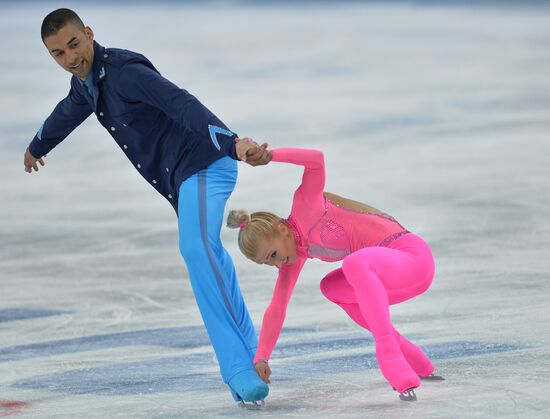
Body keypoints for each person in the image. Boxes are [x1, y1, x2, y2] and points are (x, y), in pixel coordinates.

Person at [23, 8, 272, 406]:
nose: (70, 57)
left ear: (88, 34)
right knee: (211, 259)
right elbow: (67, 112)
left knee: (197, 249)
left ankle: (238, 368)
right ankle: (253, 354)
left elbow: (182, 103)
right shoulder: (86, 84)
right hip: (186, 180)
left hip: (206, 163)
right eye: (58, 53)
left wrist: (233, 143)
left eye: (73, 44)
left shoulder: (125, 72)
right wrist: (37, 145)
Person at [227, 144, 443, 401]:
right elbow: (277, 307)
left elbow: (316, 160)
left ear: (281, 230)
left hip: (411, 258)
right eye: (268, 263)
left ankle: (388, 353)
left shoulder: (306, 205)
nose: (277, 264)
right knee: (332, 287)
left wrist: (271, 156)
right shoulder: (293, 259)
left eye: (272, 255)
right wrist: (261, 356)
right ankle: (407, 353)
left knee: (354, 265)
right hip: (388, 276)